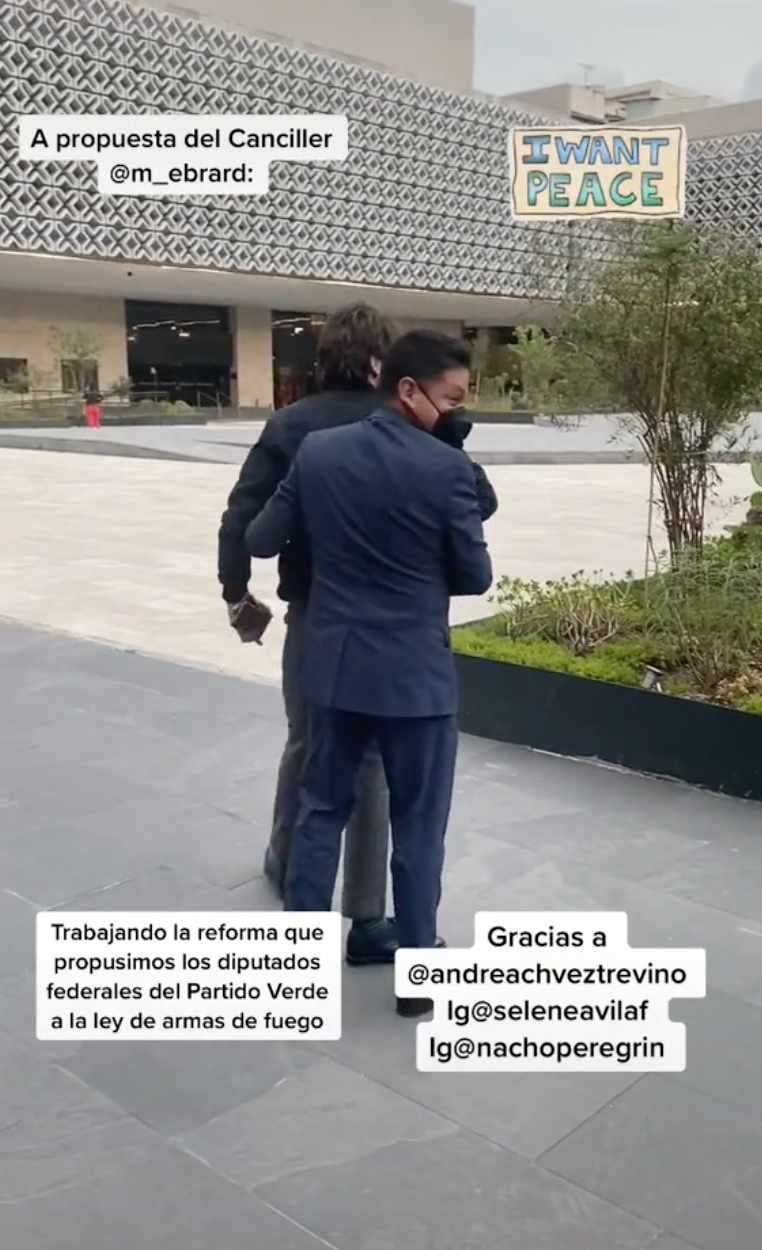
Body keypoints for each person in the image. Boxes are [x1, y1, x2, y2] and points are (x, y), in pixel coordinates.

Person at [245, 331, 493, 1017]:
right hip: (415, 678)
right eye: (451, 399)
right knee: (418, 829)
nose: (456, 412)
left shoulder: (319, 452)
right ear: (408, 389)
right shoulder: (446, 469)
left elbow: (260, 538)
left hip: (334, 668)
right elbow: (475, 575)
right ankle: (416, 983)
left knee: (320, 811)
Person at [218, 303, 399, 965]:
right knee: (372, 763)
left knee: (306, 741)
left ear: (326, 359)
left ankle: (288, 860)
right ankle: (368, 917)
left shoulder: (292, 425)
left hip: (314, 615)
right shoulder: (410, 425)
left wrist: (237, 594)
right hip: (390, 626)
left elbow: (242, 520)